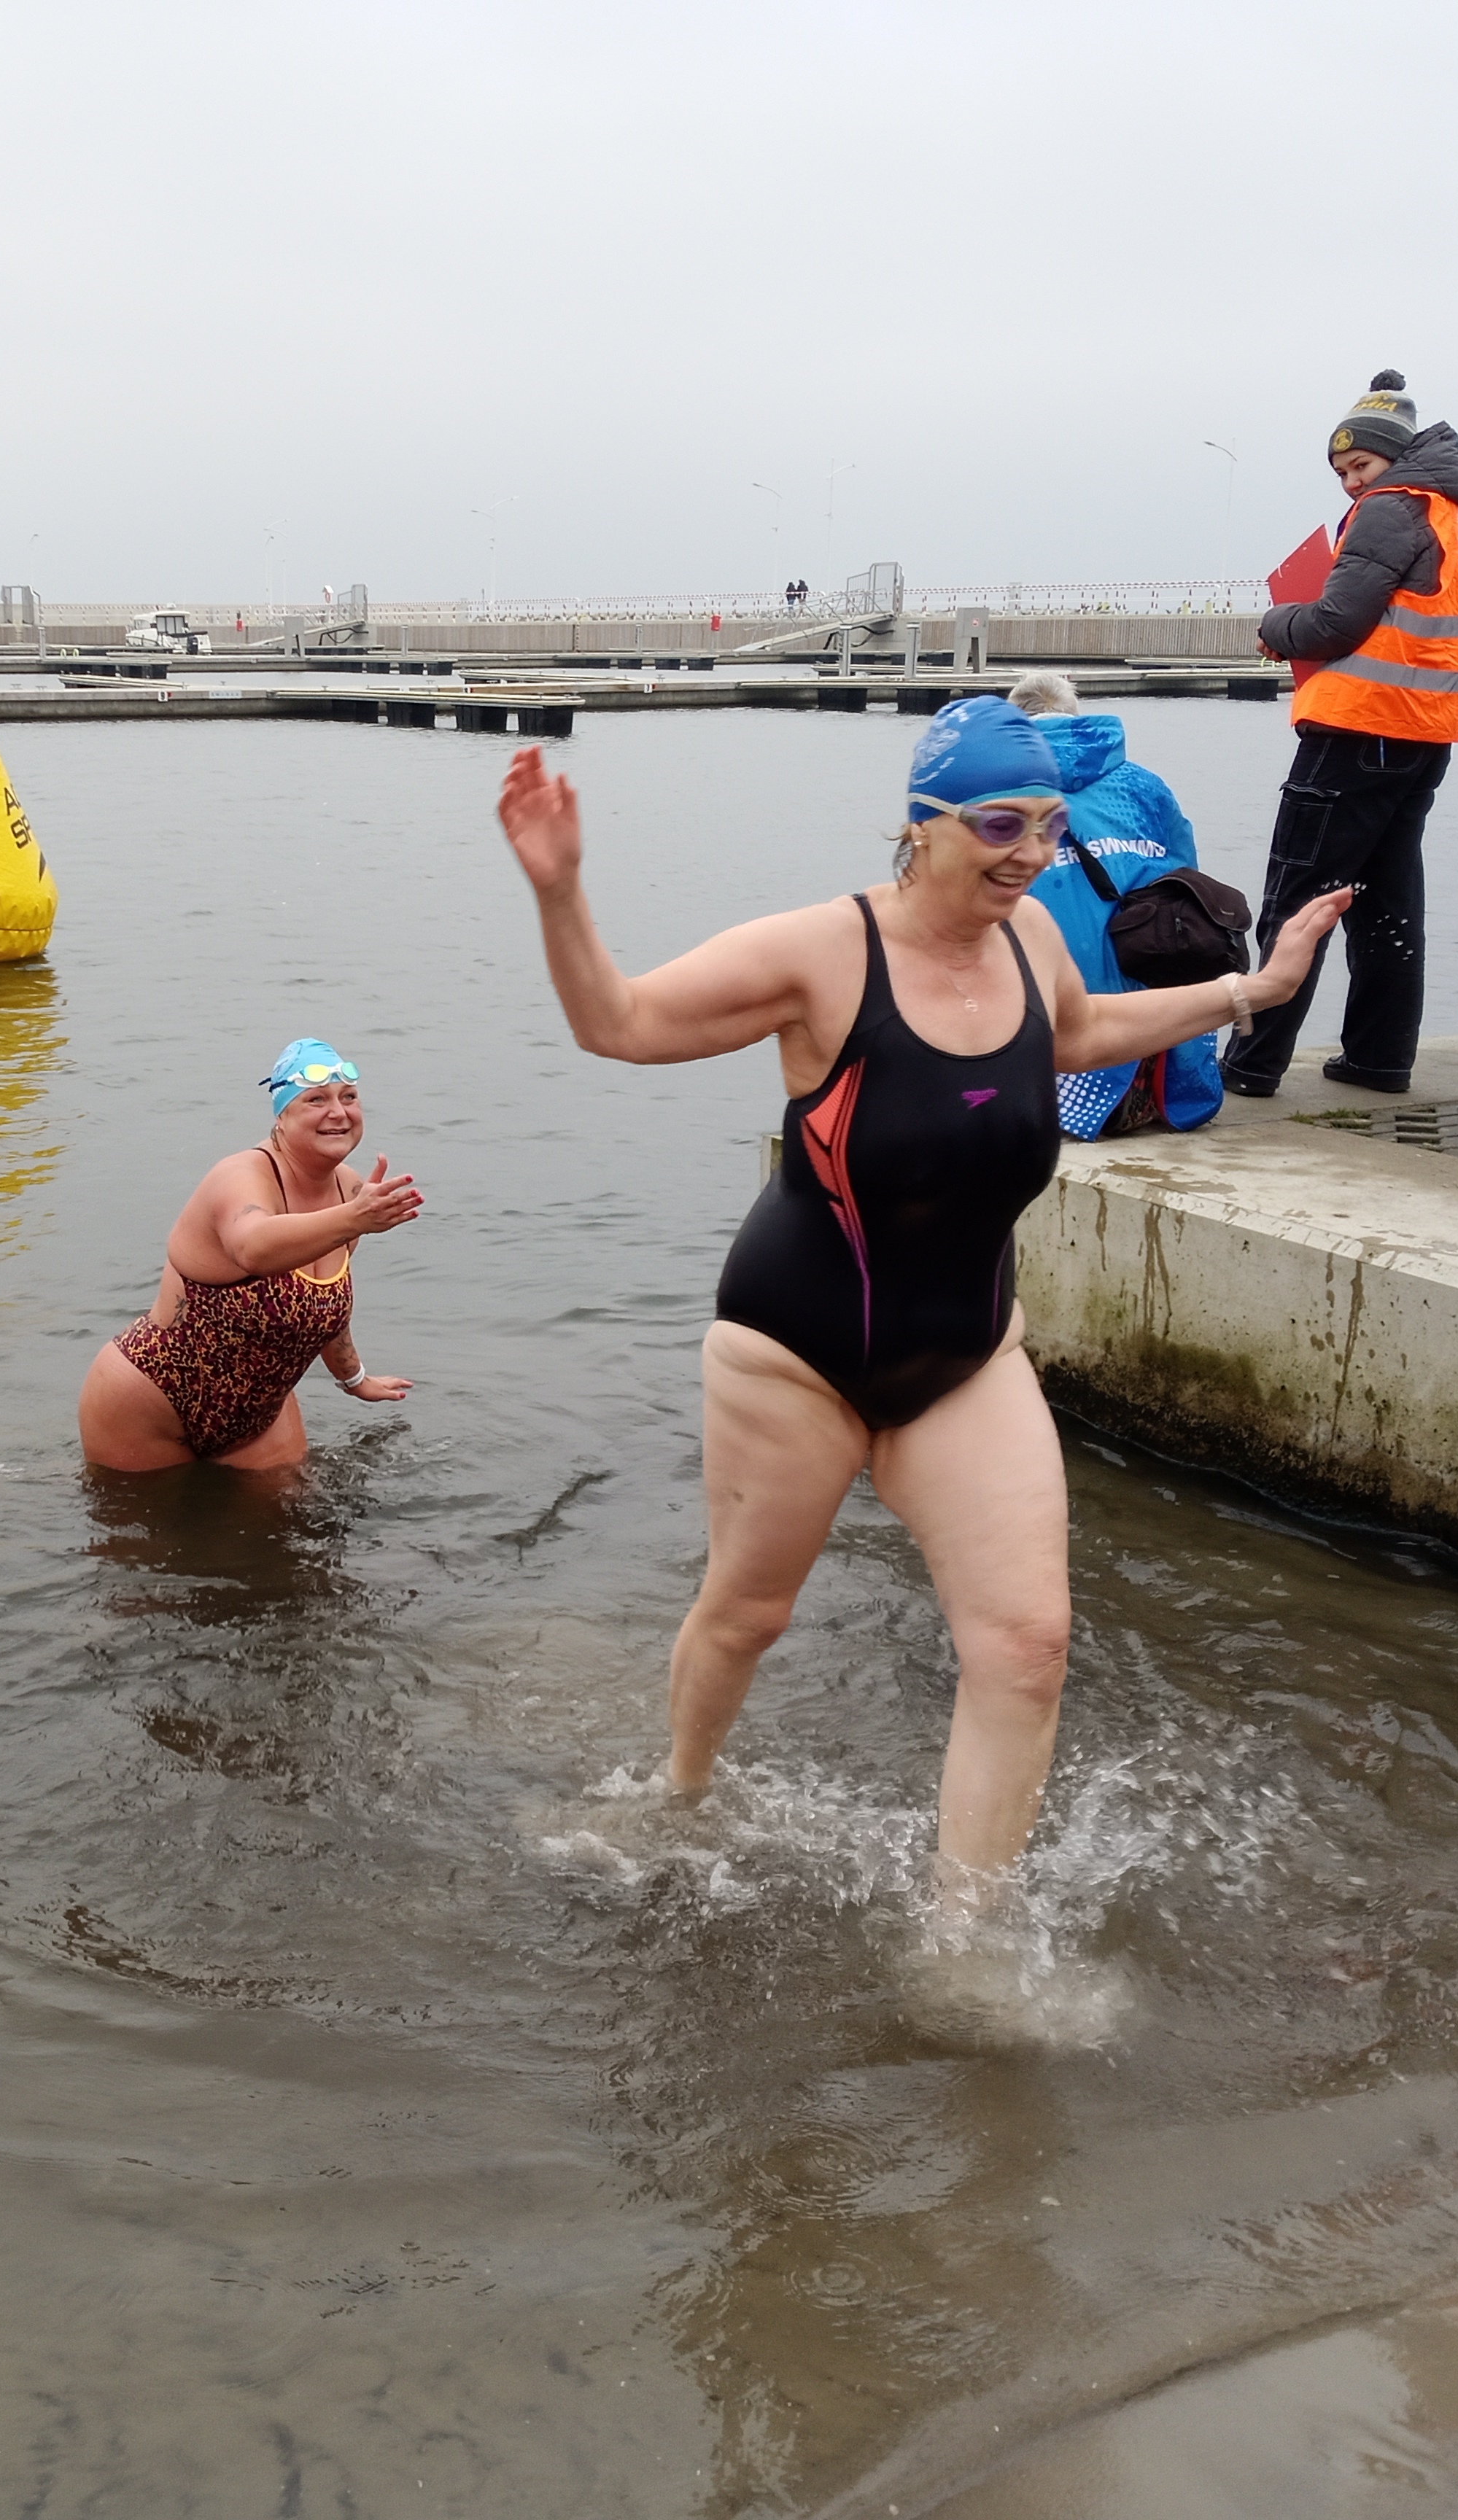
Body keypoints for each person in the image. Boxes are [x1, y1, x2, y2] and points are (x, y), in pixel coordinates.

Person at [489, 699, 1350, 1882]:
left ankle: (965, 1940)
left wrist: (1253, 991)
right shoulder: (818, 953)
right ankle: (680, 1792)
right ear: (920, 824)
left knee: (1026, 1643)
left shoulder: (1029, 941)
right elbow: (620, 1024)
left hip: (965, 1351)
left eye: (1046, 824)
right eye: (999, 822)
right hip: (794, 1353)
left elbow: (1083, 1029)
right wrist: (557, 889)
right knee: (748, 1616)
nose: (1029, 852)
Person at [1227, 370, 1458, 1099]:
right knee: (1386, 901)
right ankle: (1378, 1058)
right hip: (1423, 732)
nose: (1349, 483)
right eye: (1341, 472)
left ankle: (1249, 1067)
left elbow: (1335, 622)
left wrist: (1276, 627)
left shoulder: (1388, 507)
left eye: (1359, 466)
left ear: (1391, 457)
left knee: (1296, 899)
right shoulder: (1447, 512)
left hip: (1355, 728)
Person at [76, 1040, 420, 1469]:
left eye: (349, 1098)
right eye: (316, 1100)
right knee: (144, 1533)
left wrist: (354, 1378)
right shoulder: (242, 1175)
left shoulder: (348, 1191)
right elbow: (252, 1247)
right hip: (151, 1404)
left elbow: (324, 1307)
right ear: (282, 1114)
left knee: (282, 1527)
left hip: (260, 1416)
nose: (338, 1112)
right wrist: (354, 1219)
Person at [1007, 670, 1225, 1135]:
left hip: (1061, 1011)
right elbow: (1186, 874)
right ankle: (1153, 1093)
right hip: (1152, 970)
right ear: (1074, 717)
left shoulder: (999, 788)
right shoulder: (1144, 784)